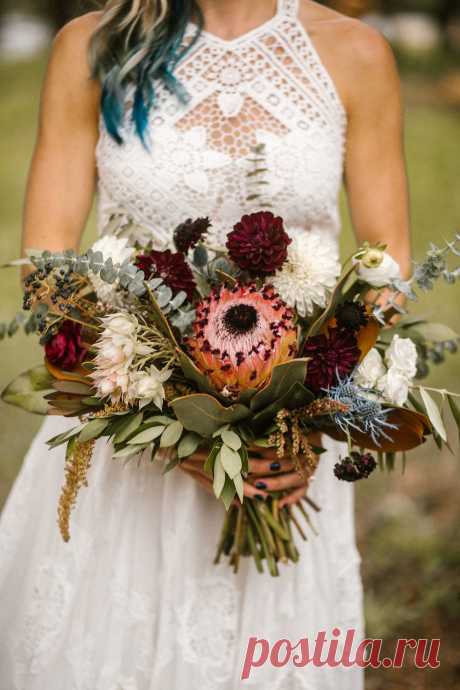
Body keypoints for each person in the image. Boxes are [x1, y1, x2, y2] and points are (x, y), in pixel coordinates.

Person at [0, 1, 411, 688]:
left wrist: (304, 417)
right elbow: (46, 266)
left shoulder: (356, 52)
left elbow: (386, 259)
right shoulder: (96, 46)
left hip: (286, 454)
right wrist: (161, 420)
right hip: (120, 439)